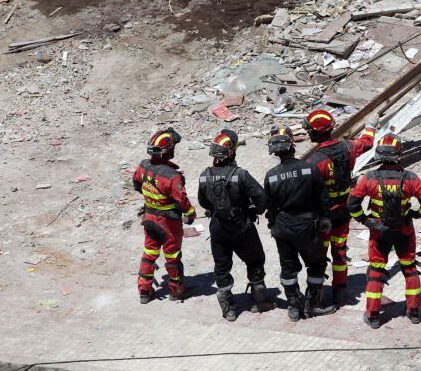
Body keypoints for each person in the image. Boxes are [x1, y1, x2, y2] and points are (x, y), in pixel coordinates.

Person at [347, 134, 421, 328]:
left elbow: (352, 204)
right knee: (410, 268)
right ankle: (414, 312)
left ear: (378, 155)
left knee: (376, 271)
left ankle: (373, 315)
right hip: (404, 230)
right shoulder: (411, 178)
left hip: (379, 232)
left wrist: (366, 221)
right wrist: (415, 214)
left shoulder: (369, 178)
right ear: (399, 154)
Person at [198, 129, 276, 321]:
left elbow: (202, 202)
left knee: (222, 267)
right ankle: (260, 301)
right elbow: (261, 197)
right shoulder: (240, 175)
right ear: (231, 152)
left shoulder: (204, 176)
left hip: (218, 229)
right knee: (255, 261)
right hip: (242, 227)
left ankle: (229, 309)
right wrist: (255, 211)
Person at [263, 126, 336, 321]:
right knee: (316, 263)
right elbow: (323, 197)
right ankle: (312, 304)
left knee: (288, 267)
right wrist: (326, 218)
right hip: (306, 227)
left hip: (282, 227)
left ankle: (293, 307)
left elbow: (268, 205)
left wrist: (272, 226)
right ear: (292, 145)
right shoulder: (308, 168)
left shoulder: (271, 175)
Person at [304, 109, 376, 304]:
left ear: (315, 133)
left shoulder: (314, 161)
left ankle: (316, 295)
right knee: (340, 250)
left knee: (320, 254)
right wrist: (370, 127)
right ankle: (340, 290)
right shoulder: (348, 146)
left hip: (324, 215)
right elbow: (367, 143)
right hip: (344, 210)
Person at [132, 128, 196, 304]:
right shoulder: (172, 176)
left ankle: (144, 291)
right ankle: (176, 291)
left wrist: (152, 200)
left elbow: (136, 184)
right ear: (168, 150)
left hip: (149, 218)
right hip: (168, 223)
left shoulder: (143, 166)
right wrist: (191, 214)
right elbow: (181, 200)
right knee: (173, 257)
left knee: (149, 253)